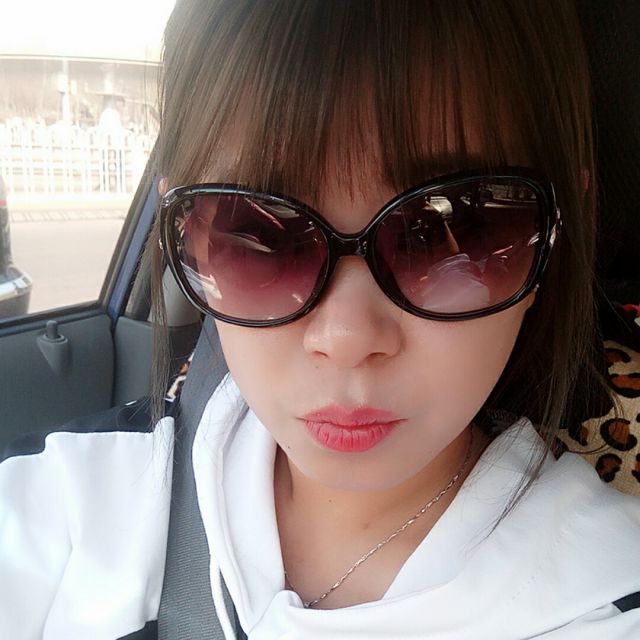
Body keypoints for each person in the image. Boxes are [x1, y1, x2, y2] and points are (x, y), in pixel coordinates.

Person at [1, 1, 640, 638]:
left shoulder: (602, 600)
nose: (346, 338)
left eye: (447, 230)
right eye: (260, 236)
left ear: (553, 234)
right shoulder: (73, 495)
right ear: (187, 234)